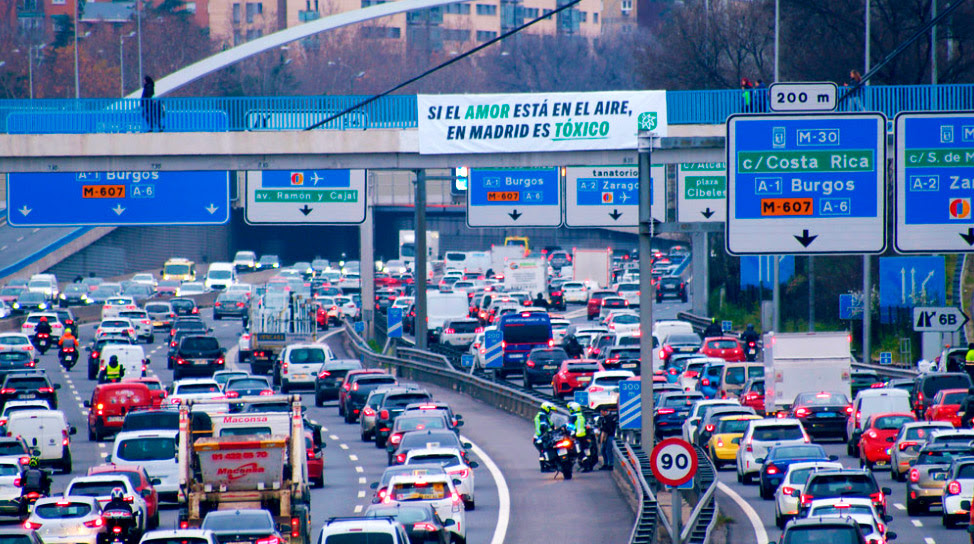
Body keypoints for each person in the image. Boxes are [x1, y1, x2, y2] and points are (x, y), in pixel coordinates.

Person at [567, 402, 594, 472]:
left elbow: (570, 427)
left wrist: (566, 429)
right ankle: (586, 464)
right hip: (584, 435)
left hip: (576, 436)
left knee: (579, 452)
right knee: (584, 450)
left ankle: (586, 466)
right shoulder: (582, 416)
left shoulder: (573, 417)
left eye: (570, 409)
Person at [595, 402, 618, 470]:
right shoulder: (604, 418)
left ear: (604, 411)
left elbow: (609, 428)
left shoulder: (609, 418)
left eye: (602, 411)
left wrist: (602, 428)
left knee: (608, 450)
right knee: (603, 450)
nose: (601, 413)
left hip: (609, 436)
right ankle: (606, 463)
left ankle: (610, 464)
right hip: (606, 436)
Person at [533, 402, 556, 471]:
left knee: (543, 451)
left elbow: (552, 425)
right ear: (547, 408)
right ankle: (545, 467)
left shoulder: (543, 415)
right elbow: (544, 426)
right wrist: (549, 430)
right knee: (544, 451)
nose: (551, 412)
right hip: (540, 437)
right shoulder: (542, 416)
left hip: (539, 437)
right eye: (550, 410)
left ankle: (546, 466)